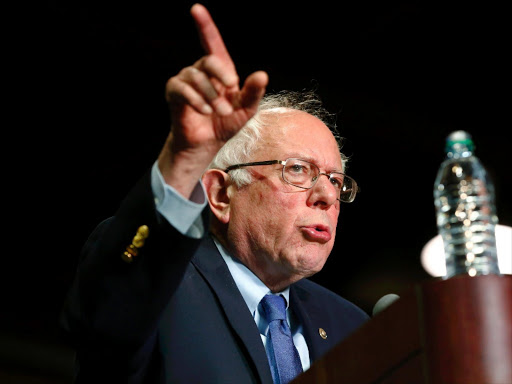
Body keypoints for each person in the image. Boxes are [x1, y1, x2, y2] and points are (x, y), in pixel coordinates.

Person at [60, 3, 369, 383]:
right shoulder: (162, 282)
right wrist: (185, 158)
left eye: (336, 180)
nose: (326, 195)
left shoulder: (352, 326)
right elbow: (108, 317)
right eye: (298, 170)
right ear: (221, 194)